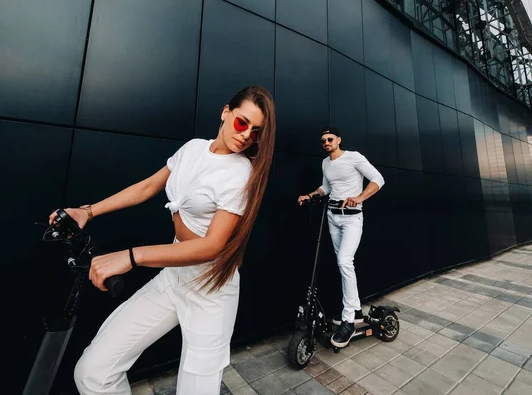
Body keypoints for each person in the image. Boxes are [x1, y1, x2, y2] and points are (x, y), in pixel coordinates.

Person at [49, 86, 276, 395]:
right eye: (241, 122)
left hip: (211, 289)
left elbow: (212, 246)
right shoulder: (194, 148)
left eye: (255, 132)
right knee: (93, 372)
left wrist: (131, 257)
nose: (246, 135)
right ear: (225, 112)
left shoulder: (240, 174)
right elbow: (148, 187)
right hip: (174, 277)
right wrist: (87, 212)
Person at [297, 127, 384, 348]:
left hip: (352, 218)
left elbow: (378, 179)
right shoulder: (326, 163)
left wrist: (359, 197)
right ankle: (354, 309)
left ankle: (348, 320)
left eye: (330, 139)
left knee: (345, 261)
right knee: (342, 263)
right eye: (323, 140)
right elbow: (326, 187)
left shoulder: (354, 157)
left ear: (338, 140)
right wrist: (310, 195)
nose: (326, 142)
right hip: (332, 217)